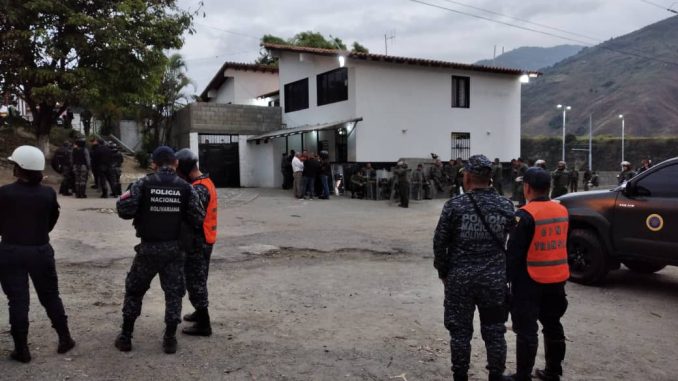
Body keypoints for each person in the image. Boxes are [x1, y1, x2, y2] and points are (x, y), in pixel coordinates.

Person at [114, 146, 205, 354]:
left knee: (135, 291)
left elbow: (123, 210)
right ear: (176, 164)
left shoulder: (143, 184)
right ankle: (170, 339)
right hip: (174, 250)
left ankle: (126, 337)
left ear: (153, 164)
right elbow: (198, 217)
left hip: (148, 249)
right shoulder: (186, 188)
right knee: (173, 294)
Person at [433, 154, 515, 381]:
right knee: (495, 331)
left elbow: (440, 242)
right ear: (490, 178)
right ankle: (496, 376)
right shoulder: (505, 206)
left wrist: (443, 272)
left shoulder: (454, 206)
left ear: (467, 177)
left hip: (460, 280)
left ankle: (460, 375)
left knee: (459, 333)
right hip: (494, 280)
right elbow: (515, 242)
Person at [0, 146, 76, 363]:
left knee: (17, 301)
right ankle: (64, 338)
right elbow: (51, 221)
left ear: (20, 168)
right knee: (51, 295)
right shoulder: (48, 193)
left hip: (10, 251)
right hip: (41, 250)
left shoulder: (4, 193)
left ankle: (22, 349)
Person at [507, 167, 570, 381]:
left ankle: (522, 376)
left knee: (527, 330)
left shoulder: (525, 215)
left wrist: (505, 280)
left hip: (530, 280)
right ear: (548, 187)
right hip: (557, 278)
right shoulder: (562, 210)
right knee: (553, 325)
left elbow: (514, 255)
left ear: (527, 187)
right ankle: (553, 372)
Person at [175, 149, 217, 337]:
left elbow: (191, 216)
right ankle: (199, 313)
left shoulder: (199, 188)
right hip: (204, 239)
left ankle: (204, 324)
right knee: (198, 278)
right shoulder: (204, 181)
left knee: (195, 282)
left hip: (199, 241)